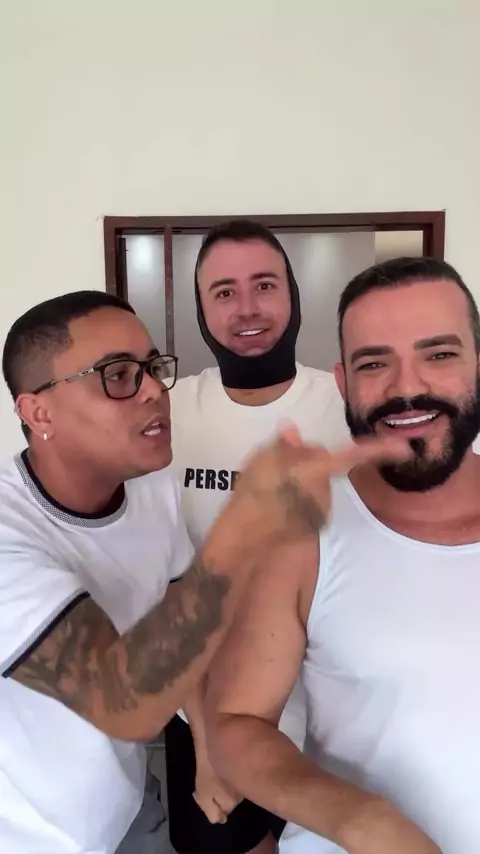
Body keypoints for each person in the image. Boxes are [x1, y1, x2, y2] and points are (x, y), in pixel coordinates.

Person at [0, 290, 403, 854]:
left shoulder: (147, 486)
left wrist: (209, 749)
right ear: (38, 412)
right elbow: (121, 700)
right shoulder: (10, 533)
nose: (152, 391)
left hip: (126, 809)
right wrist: (247, 524)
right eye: (117, 375)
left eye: (152, 368)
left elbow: (179, 626)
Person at [206, 255, 480, 854]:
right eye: (374, 363)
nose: (406, 388)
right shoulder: (302, 531)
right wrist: (364, 823)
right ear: (342, 382)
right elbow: (235, 724)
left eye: (439, 354)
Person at [167, 219, 349, 854]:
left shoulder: (346, 403)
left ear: (293, 295)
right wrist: (206, 744)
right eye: (223, 291)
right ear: (201, 310)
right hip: (205, 708)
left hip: (331, 710)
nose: (246, 308)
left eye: (264, 285)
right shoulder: (169, 414)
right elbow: (166, 583)